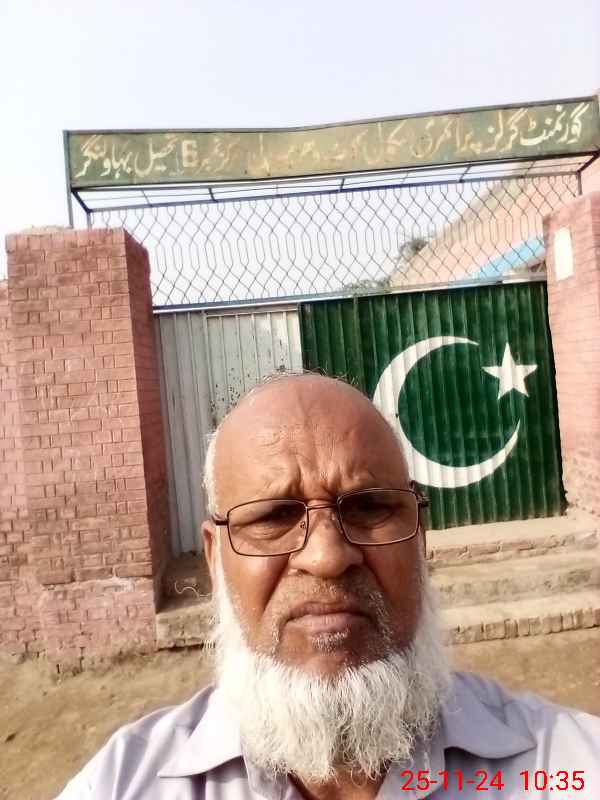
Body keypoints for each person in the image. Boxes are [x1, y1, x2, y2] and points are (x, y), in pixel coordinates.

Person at [57, 373, 600, 799]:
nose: (327, 557)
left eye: (369, 508)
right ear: (216, 559)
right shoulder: (123, 784)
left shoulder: (565, 768)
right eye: (274, 516)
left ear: (421, 539)